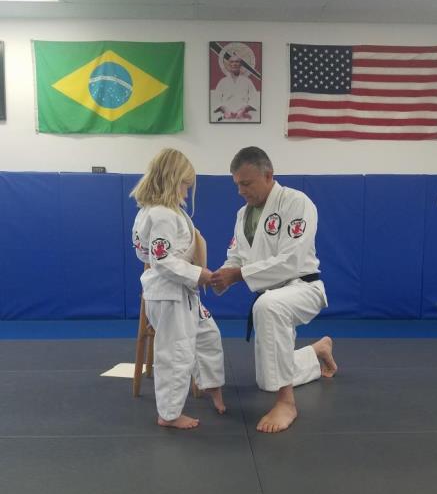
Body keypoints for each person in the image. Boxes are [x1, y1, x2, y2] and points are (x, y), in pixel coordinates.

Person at [211, 146, 337, 434]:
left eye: (246, 183)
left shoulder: (296, 202)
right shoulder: (243, 214)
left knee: (267, 307)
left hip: (303, 286)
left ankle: (286, 403)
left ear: (268, 175)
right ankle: (317, 351)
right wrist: (218, 277)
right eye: (237, 184)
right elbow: (237, 257)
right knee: (266, 378)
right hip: (271, 294)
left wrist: (238, 275)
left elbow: (292, 260)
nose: (241, 191)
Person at [131, 148, 226, 430]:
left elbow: (150, 253)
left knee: (208, 335)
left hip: (181, 292)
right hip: (169, 295)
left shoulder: (162, 212)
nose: (187, 190)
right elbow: (160, 260)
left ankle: (211, 385)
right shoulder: (161, 214)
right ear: (173, 180)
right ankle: (169, 414)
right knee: (176, 353)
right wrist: (199, 273)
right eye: (185, 184)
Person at [213, 54, 258, 121]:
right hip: (227, 116)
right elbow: (216, 100)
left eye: (237, 61)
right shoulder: (222, 82)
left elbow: (254, 99)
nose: (234, 64)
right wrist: (225, 109)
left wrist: (244, 109)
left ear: (240, 65)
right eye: (232, 62)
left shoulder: (247, 81)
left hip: (243, 116)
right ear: (229, 65)